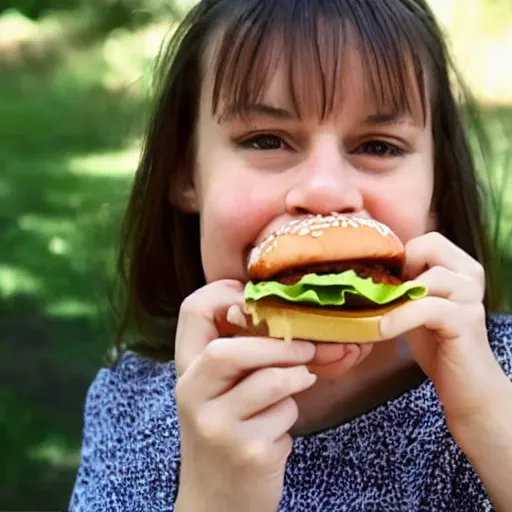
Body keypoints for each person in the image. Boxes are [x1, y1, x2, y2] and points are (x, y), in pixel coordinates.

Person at [69, 0, 512, 510]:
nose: (324, 192)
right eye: (266, 139)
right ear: (186, 173)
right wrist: (216, 495)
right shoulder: (128, 405)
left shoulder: (496, 372)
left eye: (380, 146)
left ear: (438, 192)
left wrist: (488, 421)